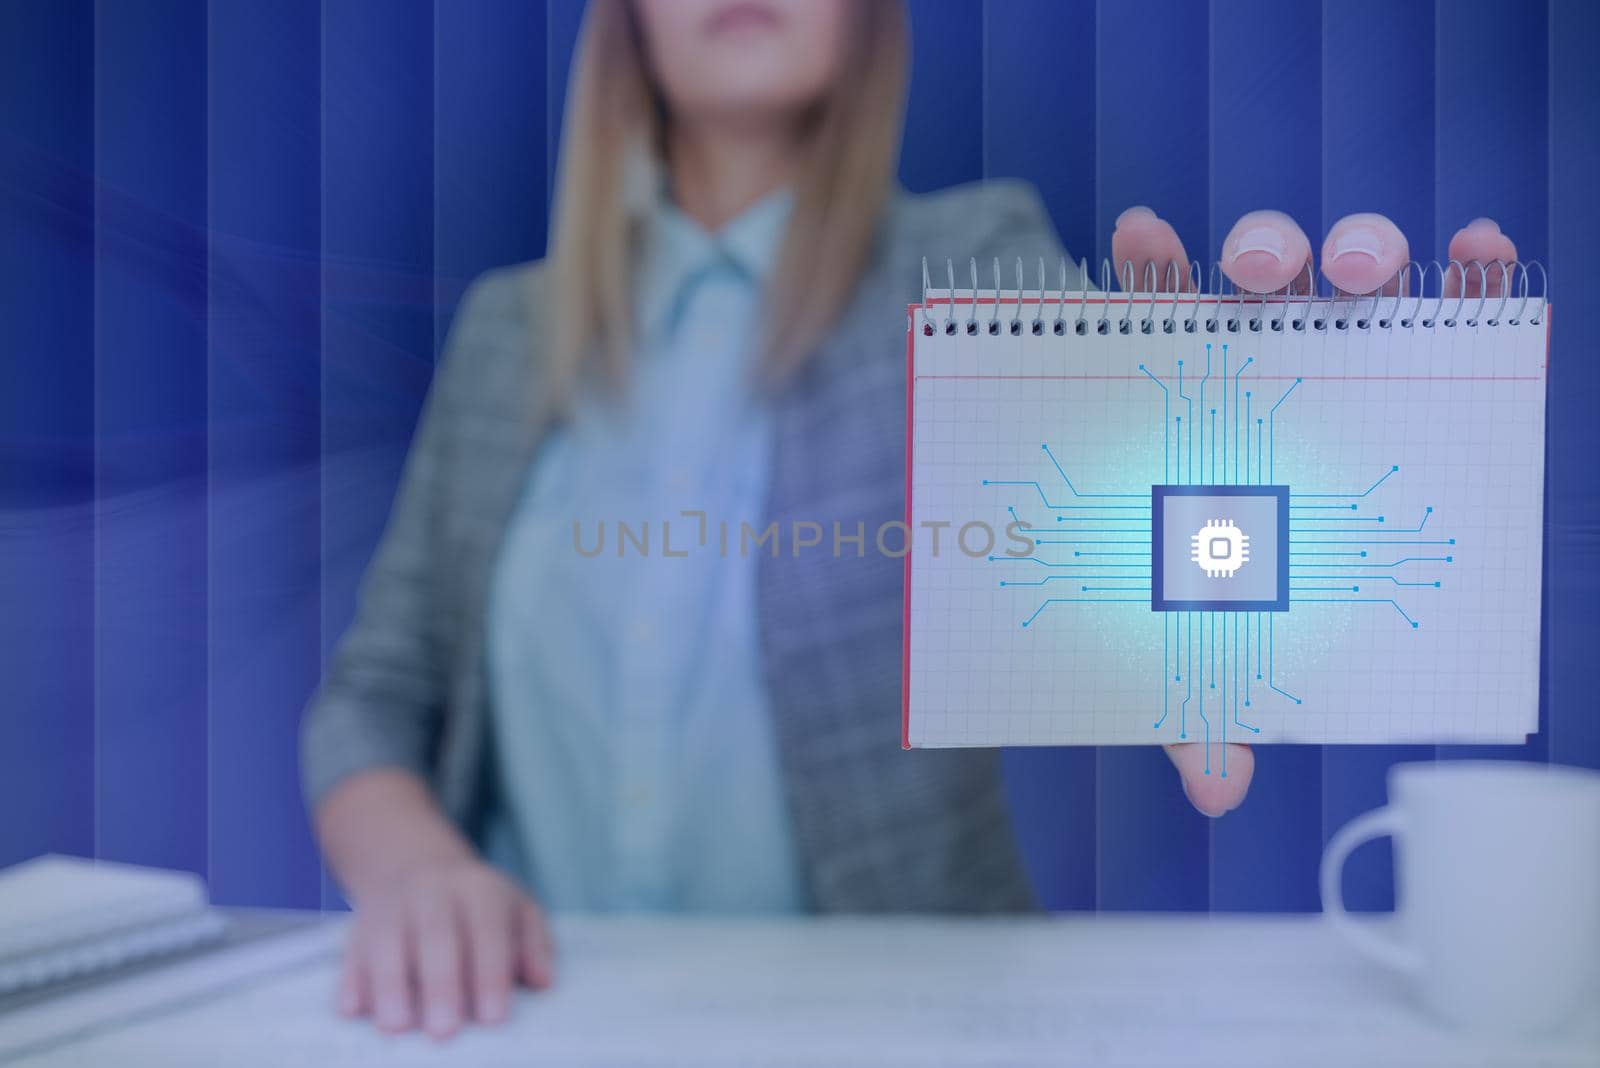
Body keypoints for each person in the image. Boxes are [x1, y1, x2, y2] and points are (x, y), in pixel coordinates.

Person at [301, 0, 1519, 1040]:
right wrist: (414, 868)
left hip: (898, 1025)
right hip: (528, 1020)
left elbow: (1135, 480)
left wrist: (1277, 391)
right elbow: (376, 693)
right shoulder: (507, 330)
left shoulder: (971, 267)